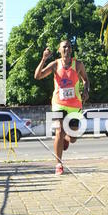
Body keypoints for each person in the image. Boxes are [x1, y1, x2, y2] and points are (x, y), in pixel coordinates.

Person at [34, 40, 90, 175]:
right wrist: (44, 59)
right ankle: (58, 164)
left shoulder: (78, 65)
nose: (67, 49)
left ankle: (66, 139)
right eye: (64, 47)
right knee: (59, 130)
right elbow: (37, 76)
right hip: (58, 103)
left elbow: (86, 80)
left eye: (69, 46)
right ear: (59, 50)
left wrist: (86, 90)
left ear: (71, 50)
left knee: (73, 137)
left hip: (75, 104)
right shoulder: (55, 65)